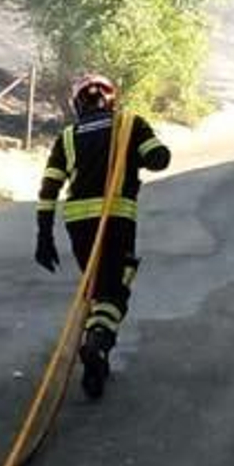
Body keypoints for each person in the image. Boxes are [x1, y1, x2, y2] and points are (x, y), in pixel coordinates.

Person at [34, 72, 171, 399]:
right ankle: (96, 342)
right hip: (116, 219)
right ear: (110, 98)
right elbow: (160, 159)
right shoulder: (130, 124)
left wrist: (44, 236)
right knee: (115, 289)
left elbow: (49, 186)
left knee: (97, 288)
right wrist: (138, 150)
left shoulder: (68, 136)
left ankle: (98, 361)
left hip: (78, 222)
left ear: (78, 103)